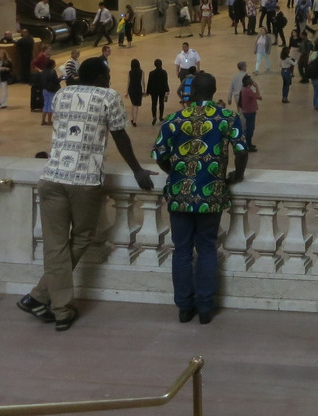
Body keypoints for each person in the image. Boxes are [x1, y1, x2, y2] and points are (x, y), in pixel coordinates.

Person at [17, 57, 155, 331]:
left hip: (52, 177)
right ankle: (53, 304)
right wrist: (138, 170)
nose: (111, 79)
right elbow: (120, 136)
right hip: (85, 181)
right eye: (109, 74)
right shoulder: (109, 97)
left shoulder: (62, 94)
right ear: (102, 78)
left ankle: (45, 300)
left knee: (54, 246)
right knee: (82, 236)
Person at [152, 72, 247, 324]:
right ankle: (205, 308)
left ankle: (184, 307)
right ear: (214, 92)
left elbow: (159, 153)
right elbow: (241, 149)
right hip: (211, 194)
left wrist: (172, 170)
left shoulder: (174, 118)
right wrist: (237, 174)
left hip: (179, 195)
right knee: (206, 248)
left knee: (181, 250)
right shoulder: (227, 117)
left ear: (192, 93)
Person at [238, 74, 261, 151]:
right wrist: (257, 86)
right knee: (250, 129)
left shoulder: (244, 90)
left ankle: (248, 144)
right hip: (250, 112)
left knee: (248, 128)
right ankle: (248, 145)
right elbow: (258, 95)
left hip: (246, 111)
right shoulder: (248, 91)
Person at [147, 58, 170, 125]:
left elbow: (149, 83)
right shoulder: (164, 72)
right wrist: (167, 89)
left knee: (154, 104)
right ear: (161, 64)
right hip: (162, 90)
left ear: (155, 65)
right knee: (161, 103)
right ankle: (161, 116)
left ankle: (154, 116)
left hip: (154, 90)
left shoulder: (151, 73)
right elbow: (166, 82)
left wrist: (148, 91)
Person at [126, 58, 144, 125]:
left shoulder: (130, 72)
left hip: (131, 89)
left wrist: (127, 92)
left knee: (133, 104)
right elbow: (143, 82)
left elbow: (128, 82)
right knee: (136, 105)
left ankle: (132, 118)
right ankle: (135, 121)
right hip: (138, 89)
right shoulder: (141, 72)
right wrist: (144, 90)